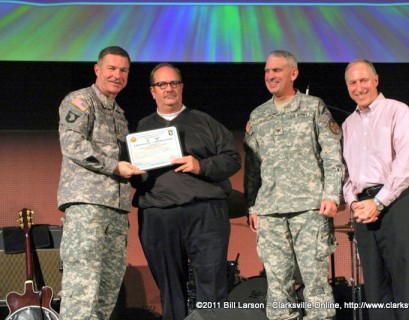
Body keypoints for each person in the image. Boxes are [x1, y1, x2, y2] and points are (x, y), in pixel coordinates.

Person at [131, 63, 241, 320]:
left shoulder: (205, 122)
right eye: (162, 84)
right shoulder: (142, 129)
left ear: (181, 87)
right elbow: (135, 176)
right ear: (152, 91)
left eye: (173, 83)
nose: (168, 89)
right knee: (169, 288)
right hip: (158, 214)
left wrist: (200, 165)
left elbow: (232, 158)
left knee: (212, 288)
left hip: (204, 213)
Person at [244, 50, 344, 320]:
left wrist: (332, 194)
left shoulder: (312, 107)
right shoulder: (259, 115)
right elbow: (253, 167)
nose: (270, 76)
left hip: (310, 208)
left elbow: (332, 153)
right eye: (267, 71)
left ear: (293, 73)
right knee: (277, 287)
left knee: (316, 283)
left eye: (276, 70)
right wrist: (252, 207)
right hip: (269, 211)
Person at [57, 46, 145, 319]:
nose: (117, 75)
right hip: (88, 206)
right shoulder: (81, 100)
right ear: (97, 69)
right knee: (81, 289)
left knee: (107, 291)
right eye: (112, 68)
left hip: (117, 209)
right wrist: (114, 165)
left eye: (123, 70)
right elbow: (71, 143)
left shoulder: (119, 113)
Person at [342, 59, 409, 319]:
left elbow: (406, 166)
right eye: (352, 83)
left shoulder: (398, 111)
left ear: (376, 80)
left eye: (363, 80)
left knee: (406, 282)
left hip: (397, 202)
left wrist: (378, 203)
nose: (359, 87)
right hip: (363, 211)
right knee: (375, 290)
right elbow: (346, 175)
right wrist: (354, 203)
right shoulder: (347, 125)